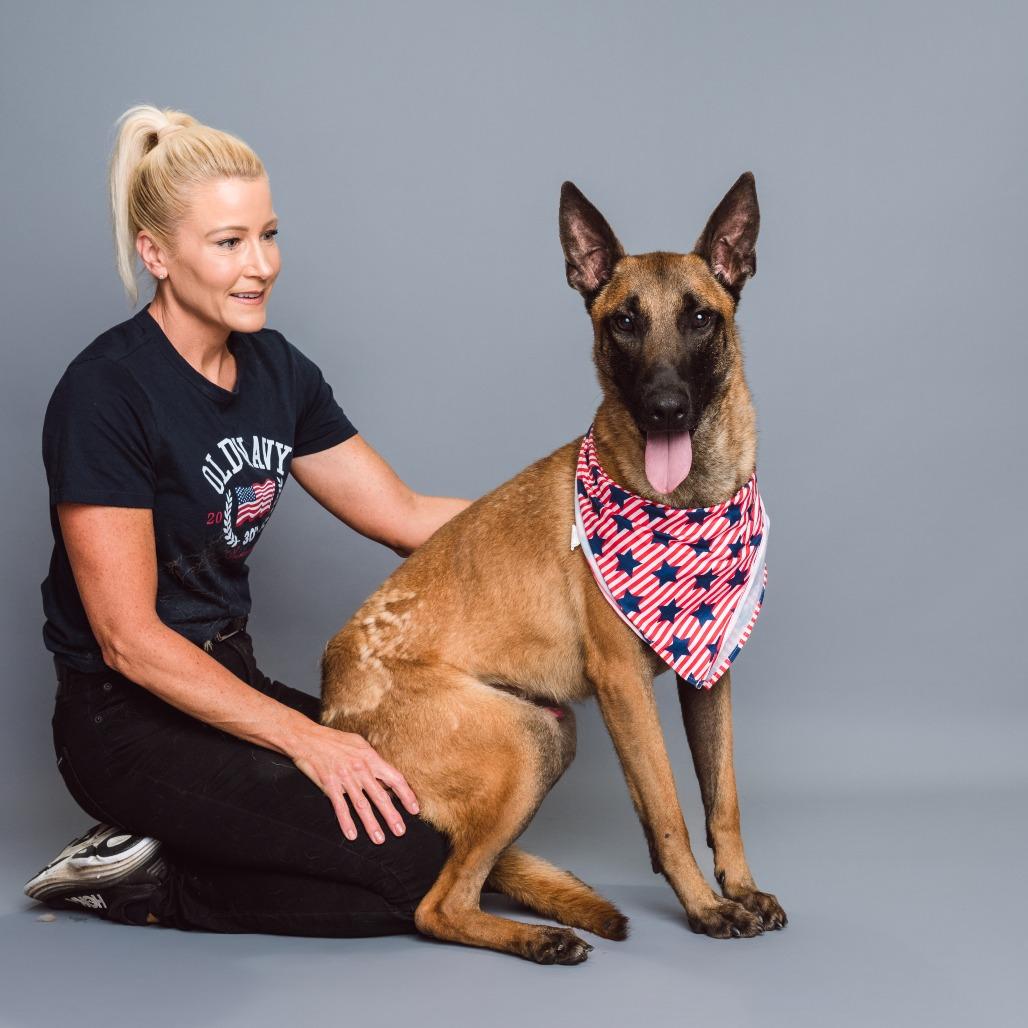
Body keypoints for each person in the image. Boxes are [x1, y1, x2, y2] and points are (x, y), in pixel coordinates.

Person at [24, 104, 471, 936]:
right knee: (414, 875)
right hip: (123, 720)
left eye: (268, 235)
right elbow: (127, 639)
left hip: (229, 682)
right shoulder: (106, 393)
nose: (260, 265)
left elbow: (406, 515)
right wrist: (308, 741)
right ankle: (144, 880)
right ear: (156, 254)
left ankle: (183, 842)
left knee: (450, 823)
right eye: (228, 242)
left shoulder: (276, 369)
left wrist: (581, 517)